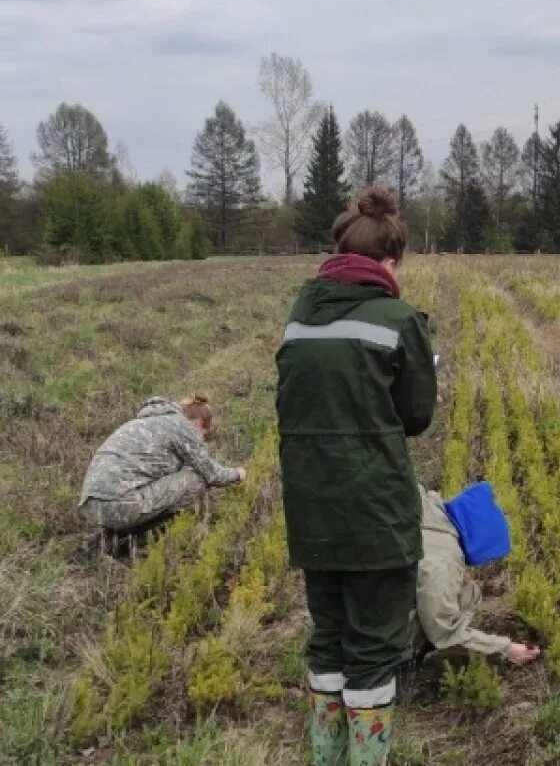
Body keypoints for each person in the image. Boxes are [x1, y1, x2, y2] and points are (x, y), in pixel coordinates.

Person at [276, 188, 437, 766]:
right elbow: (416, 416)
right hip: (375, 512)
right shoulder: (397, 319)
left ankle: (328, 756)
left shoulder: (299, 314)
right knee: (373, 647)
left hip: (310, 508)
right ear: (388, 263)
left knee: (328, 637)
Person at [79, 393, 245, 534]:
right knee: (197, 479)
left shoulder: (142, 423)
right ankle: (148, 536)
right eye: (203, 435)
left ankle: (119, 532)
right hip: (119, 506)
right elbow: (211, 474)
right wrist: (238, 474)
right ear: (199, 423)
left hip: (91, 506)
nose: (201, 439)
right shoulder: (183, 427)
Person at [414, 484, 541, 666]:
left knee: (468, 590)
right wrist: (505, 649)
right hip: (368, 615)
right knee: (466, 596)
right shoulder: (444, 564)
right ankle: (408, 659)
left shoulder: (424, 503)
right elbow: (444, 631)